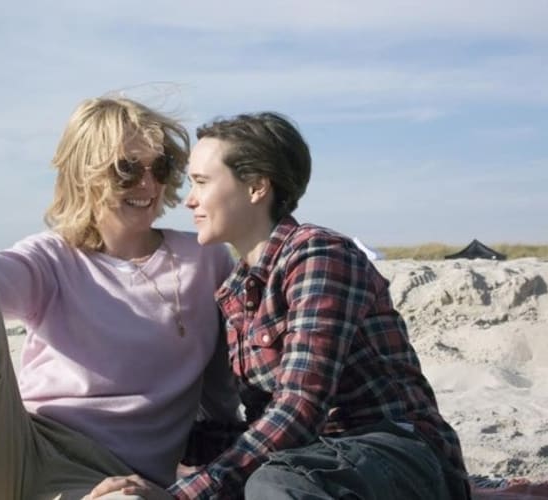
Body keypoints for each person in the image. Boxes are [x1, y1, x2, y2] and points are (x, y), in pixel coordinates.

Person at [0, 96, 240, 500]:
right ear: (85, 174)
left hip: (114, 480)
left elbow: (225, 390)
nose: (147, 184)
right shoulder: (55, 257)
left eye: (158, 167)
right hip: (19, 449)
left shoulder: (205, 258)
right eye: (127, 169)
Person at [91, 112, 470, 499]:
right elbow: (263, 422)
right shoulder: (237, 287)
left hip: (397, 450)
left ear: (256, 187)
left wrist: (180, 497)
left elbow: (300, 407)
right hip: (312, 457)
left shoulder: (318, 255)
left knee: (273, 483)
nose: (189, 200)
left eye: (202, 183)